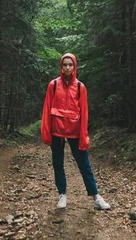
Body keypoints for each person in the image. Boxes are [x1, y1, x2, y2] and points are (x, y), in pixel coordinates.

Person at [41, 53, 110, 210]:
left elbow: (84, 112)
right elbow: (47, 108)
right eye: (64, 64)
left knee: (84, 164)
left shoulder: (80, 87)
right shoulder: (53, 85)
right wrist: (46, 131)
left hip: (74, 131)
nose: (67, 67)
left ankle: (96, 197)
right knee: (58, 163)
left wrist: (84, 135)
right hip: (56, 130)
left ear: (74, 67)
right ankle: (62, 195)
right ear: (61, 66)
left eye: (70, 65)